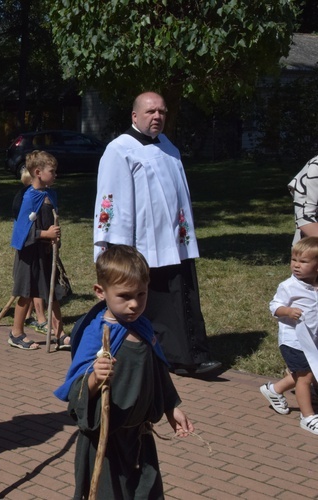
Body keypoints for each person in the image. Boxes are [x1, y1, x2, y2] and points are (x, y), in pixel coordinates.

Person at [93, 91, 221, 376]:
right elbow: (111, 199)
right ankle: (168, 356)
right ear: (135, 115)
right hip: (143, 244)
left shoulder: (168, 146)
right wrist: (119, 250)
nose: (158, 117)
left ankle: (189, 354)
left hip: (174, 241)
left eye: (162, 112)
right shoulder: (120, 149)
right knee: (155, 301)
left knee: (181, 296)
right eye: (151, 112)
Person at [54, 245, 194, 498]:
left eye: (141, 294)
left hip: (140, 439)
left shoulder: (143, 327)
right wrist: (95, 376)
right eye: (125, 296)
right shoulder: (96, 333)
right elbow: (77, 392)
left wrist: (171, 407)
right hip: (106, 442)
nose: (134, 304)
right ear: (100, 292)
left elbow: (157, 372)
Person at [8, 151, 69, 350]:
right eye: (52, 171)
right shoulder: (28, 197)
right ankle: (16, 333)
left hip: (46, 254)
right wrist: (45, 234)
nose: (56, 175)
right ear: (38, 172)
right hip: (29, 255)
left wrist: (54, 240)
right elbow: (22, 230)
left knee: (52, 292)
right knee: (26, 293)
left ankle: (59, 333)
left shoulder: (50, 194)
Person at [259, 237, 318, 435]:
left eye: (303, 262)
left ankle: (274, 390)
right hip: (293, 340)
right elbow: (274, 306)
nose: (296, 265)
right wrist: (287, 311)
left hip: (312, 340)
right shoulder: (289, 286)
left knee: (305, 372)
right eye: (294, 260)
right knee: (305, 376)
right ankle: (307, 416)